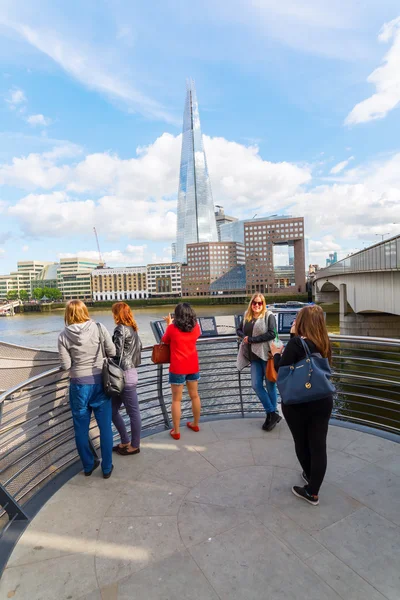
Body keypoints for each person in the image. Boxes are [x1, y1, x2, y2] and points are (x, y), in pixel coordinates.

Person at [270, 305, 333, 506]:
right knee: (318, 445)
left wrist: (276, 353)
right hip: (322, 399)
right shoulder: (324, 342)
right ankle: (314, 489)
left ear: (303, 322)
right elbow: (305, 362)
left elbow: (282, 368)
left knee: (302, 442)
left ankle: (310, 481)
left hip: (298, 401)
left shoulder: (297, 343)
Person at [58, 300, 115, 479]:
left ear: (68, 314)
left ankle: (88, 465)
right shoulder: (99, 327)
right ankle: (106, 468)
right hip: (100, 383)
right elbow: (112, 351)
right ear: (85, 311)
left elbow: (66, 365)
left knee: (81, 429)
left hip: (79, 385)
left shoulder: (63, 335)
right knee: (105, 427)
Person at [237, 293, 281, 431]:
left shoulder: (269, 316)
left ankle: (271, 417)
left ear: (263, 304)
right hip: (254, 357)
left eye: (259, 303)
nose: (257, 305)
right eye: (254, 303)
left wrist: (252, 340)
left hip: (267, 356)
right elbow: (238, 330)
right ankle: (272, 413)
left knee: (270, 386)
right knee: (256, 385)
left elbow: (272, 333)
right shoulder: (247, 316)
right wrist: (244, 337)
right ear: (251, 304)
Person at [161, 302, 201, 440]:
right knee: (194, 396)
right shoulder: (196, 327)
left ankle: (176, 431)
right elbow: (195, 336)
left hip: (178, 367)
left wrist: (168, 324)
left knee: (176, 400)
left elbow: (165, 340)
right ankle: (195, 424)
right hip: (193, 365)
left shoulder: (172, 328)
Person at [111, 302, 142, 456]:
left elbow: (116, 353)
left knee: (133, 412)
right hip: (131, 372)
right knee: (112, 410)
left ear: (117, 314)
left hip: (122, 376)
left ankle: (134, 445)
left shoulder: (120, 329)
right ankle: (125, 441)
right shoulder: (134, 329)